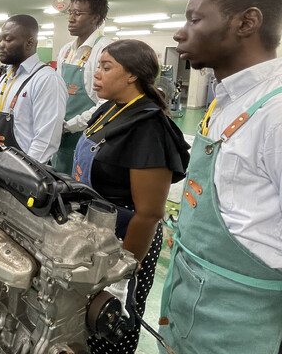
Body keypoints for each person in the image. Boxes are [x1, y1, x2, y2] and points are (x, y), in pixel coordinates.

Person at [158, 0, 282, 354]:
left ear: (247, 22)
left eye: (195, 18)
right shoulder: (226, 102)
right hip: (193, 301)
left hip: (246, 324)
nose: (180, 32)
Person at [71, 39, 189, 354]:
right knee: (79, 322)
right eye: (98, 66)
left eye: (106, 67)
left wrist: (122, 273)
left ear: (132, 75)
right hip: (91, 234)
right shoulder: (109, 108)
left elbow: (149, 213)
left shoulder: (148, 127)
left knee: (111, 324)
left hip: (126, 241)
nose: (97, 74)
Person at [0, 14, 67, 163]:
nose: (1, 44)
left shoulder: (46, 79)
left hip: (25, 174)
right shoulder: (4, 78)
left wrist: (23, 173)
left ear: (29, 43)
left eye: (8, 39)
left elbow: (46, 140)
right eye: (0, 39)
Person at [51, 0, 112, 173]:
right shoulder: (66, 51)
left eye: (77, 14)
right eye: (70, 13)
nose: (71, 19)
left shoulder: (105, 50)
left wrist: (70, 125)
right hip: (61, 137)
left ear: (95, 18)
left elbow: (107, 104)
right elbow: (58, 92)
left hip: (88, 136)